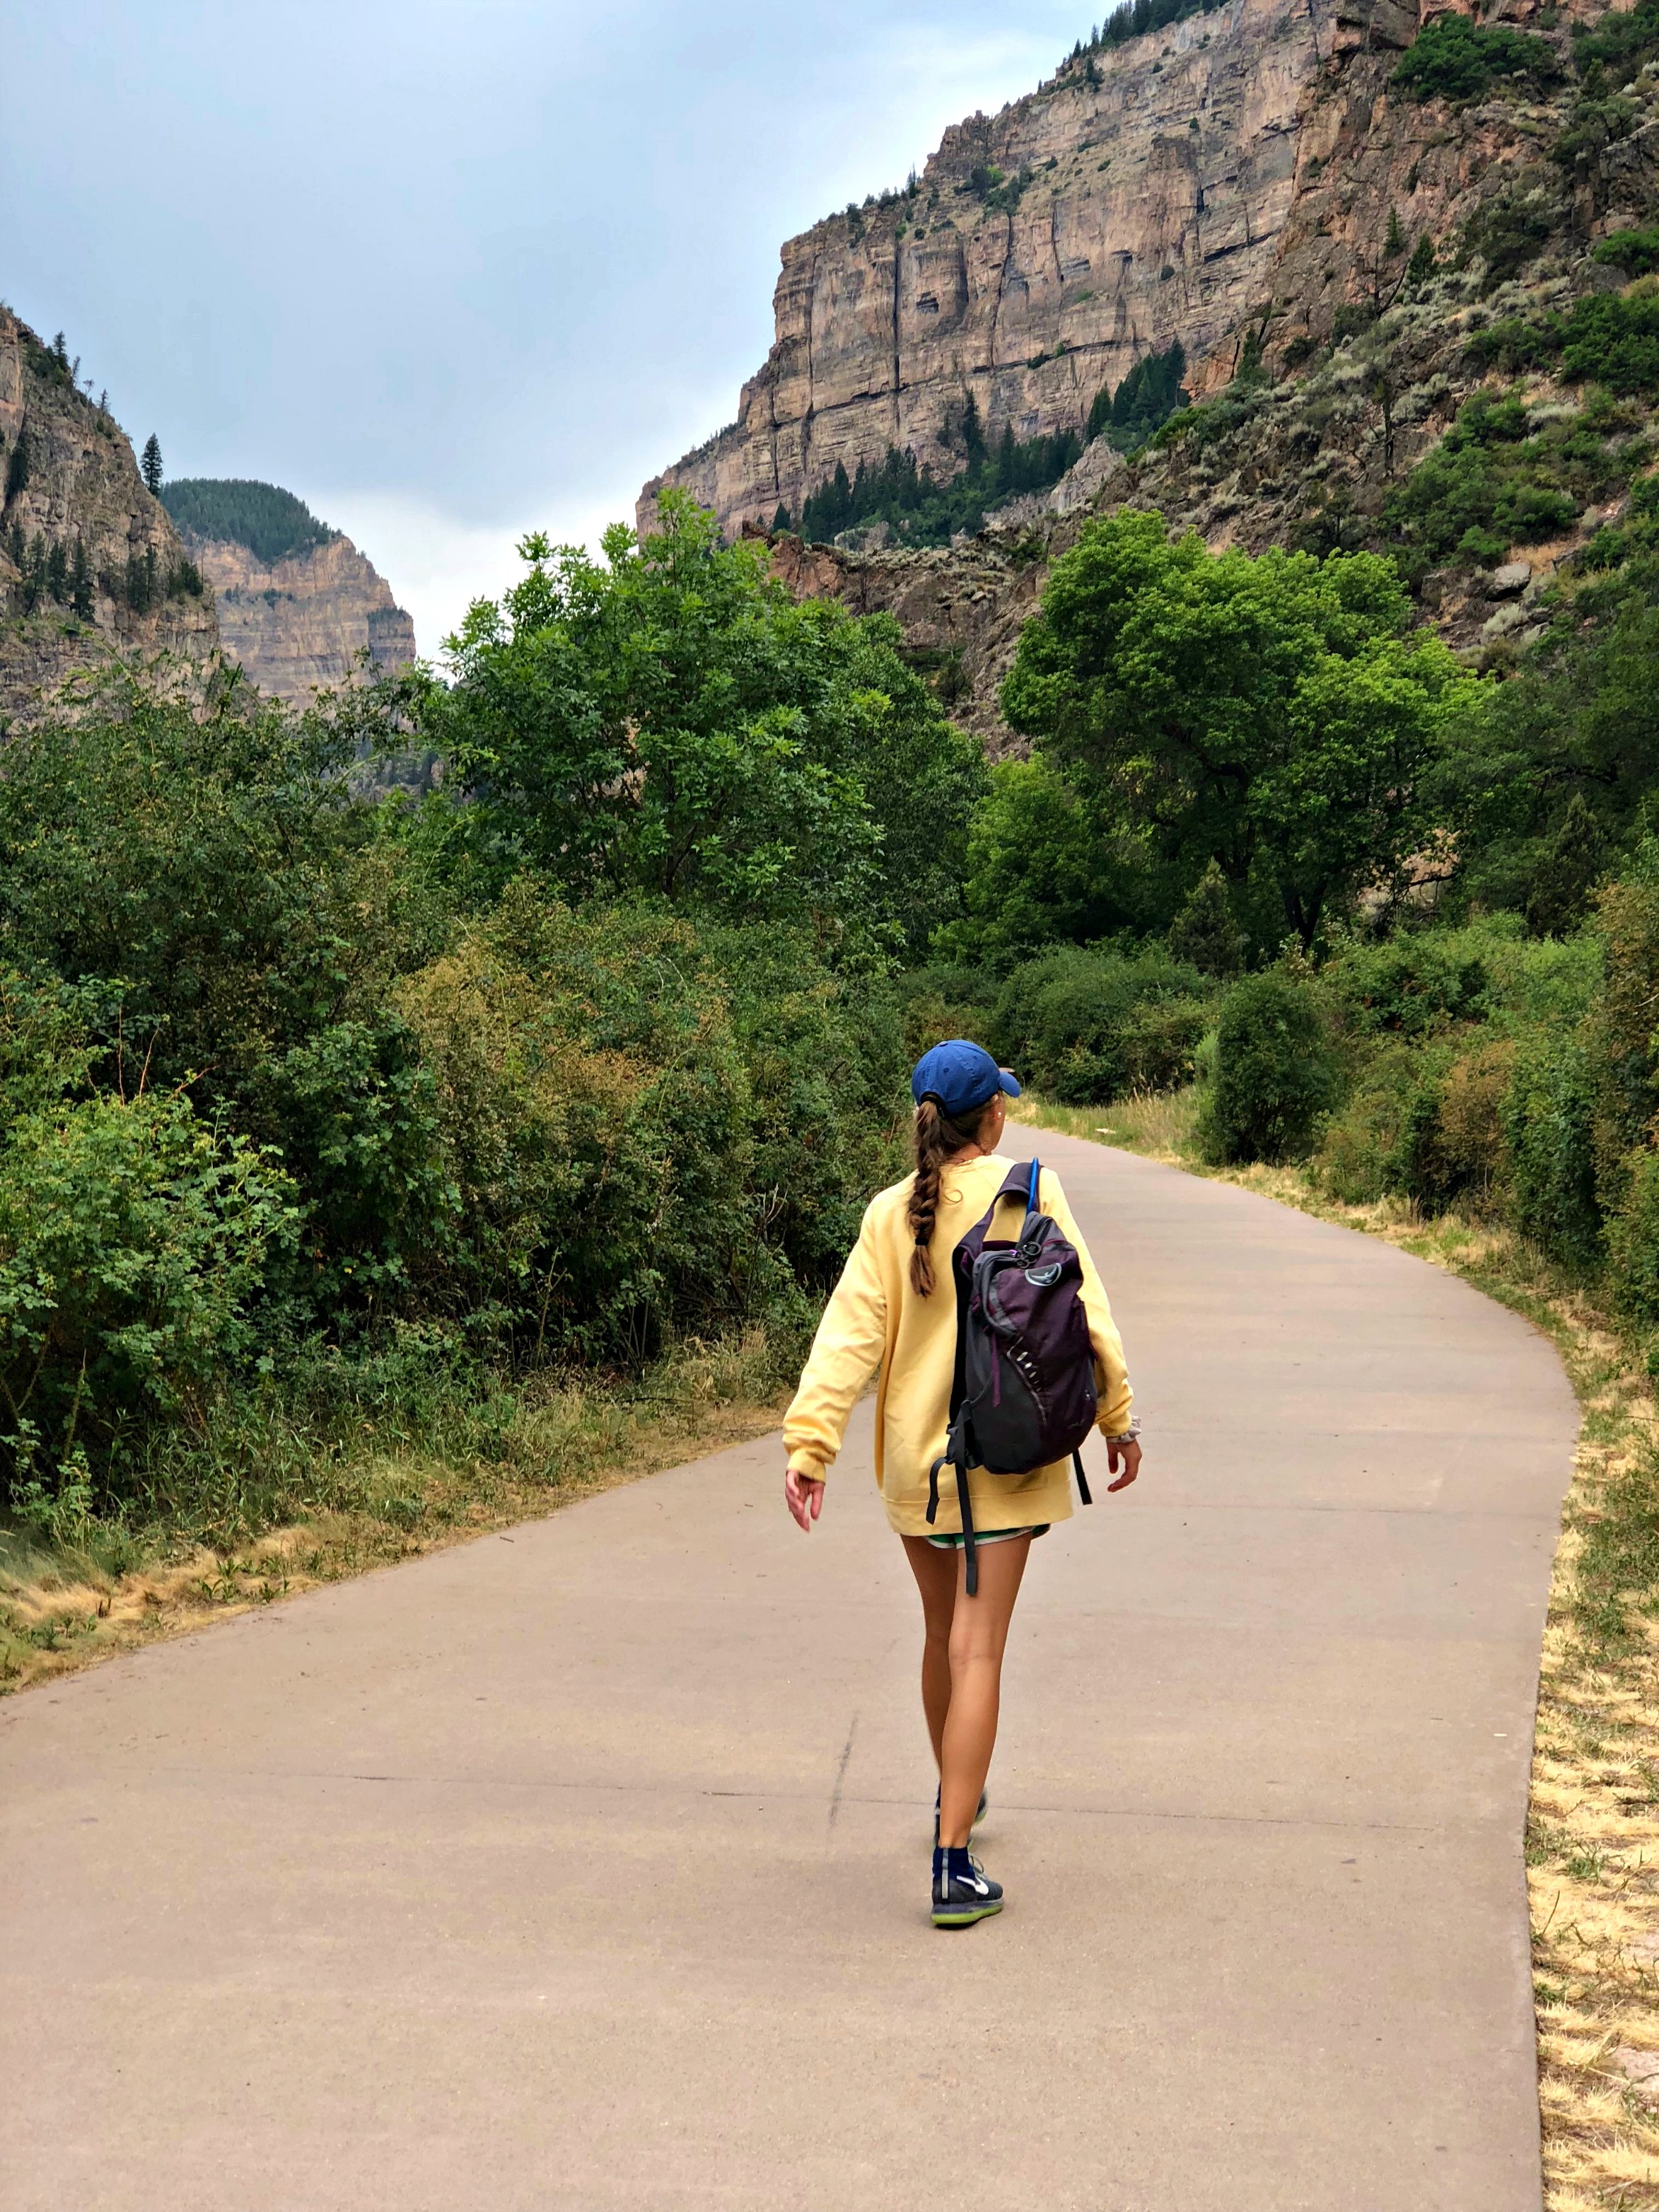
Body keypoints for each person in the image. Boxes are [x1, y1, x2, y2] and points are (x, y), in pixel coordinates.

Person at [782, 1038, 1141, 1928]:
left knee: (944, 1631)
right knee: (979, 1647)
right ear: (995, 1115)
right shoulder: (1032, 1189)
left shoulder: (888, 1213)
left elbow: (847, 1338)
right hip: (1006, 1456)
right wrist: (1118, 1419)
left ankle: (957, 1786)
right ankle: (952, 1863)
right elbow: (1087, 1313)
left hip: (917, 1462)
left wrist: (810, 1443)